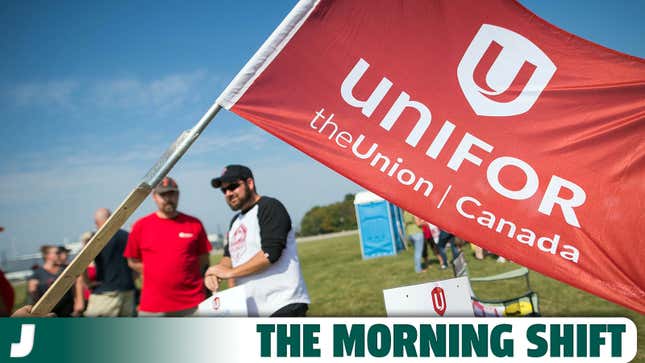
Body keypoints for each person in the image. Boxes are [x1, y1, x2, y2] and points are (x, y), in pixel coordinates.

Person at [204, 165, 310, 317]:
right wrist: (215, 273)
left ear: (250, 183)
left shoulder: (270, 207)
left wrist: (230, 272)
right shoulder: (235, 222)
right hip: (254, 311)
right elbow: (228, 258)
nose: (228, 193)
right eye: (224, 190)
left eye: (233, 186)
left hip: (282, 304)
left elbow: (271, 253)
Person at [124, 176, 211, 317]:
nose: (168, 198)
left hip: (192, 303)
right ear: (154, 197)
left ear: (178, 195)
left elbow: (203, 259)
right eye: (162, 194)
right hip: (153, 305)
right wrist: (155, 271)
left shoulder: (194, 224)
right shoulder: (141, 226)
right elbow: (132, 261)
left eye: (172, 193)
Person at [84, 208, 136, 317]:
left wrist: (88, 283)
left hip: (106, 293)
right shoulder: (127, 236)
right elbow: (135, 263)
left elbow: (80, 265)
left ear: (96, 222)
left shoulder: (96, 239)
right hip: (128, 291)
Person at [27, 245, 84, 317]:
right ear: (47, 255)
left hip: (69, 311)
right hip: (49, 313)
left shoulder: (65, 269)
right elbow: (32, 292)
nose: (60, 254)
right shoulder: (38, 273)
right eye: (57, 252)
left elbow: (76, 284)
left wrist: (79, 302)